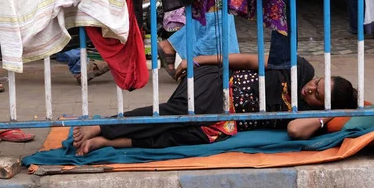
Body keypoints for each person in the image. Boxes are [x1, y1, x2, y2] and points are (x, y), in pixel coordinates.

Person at [72, 54, 358, 155]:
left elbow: (295, 131)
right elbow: (248, 60)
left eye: (316, 95)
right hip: (218, 86)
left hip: (225, 121)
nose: (310, 88)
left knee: (185, 137)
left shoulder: (309, 118)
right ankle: (102, 125)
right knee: (181, 114)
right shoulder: (300, 67)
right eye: (317, 83)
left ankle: (108, 141)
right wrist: (203, 59)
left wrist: (323, 116)